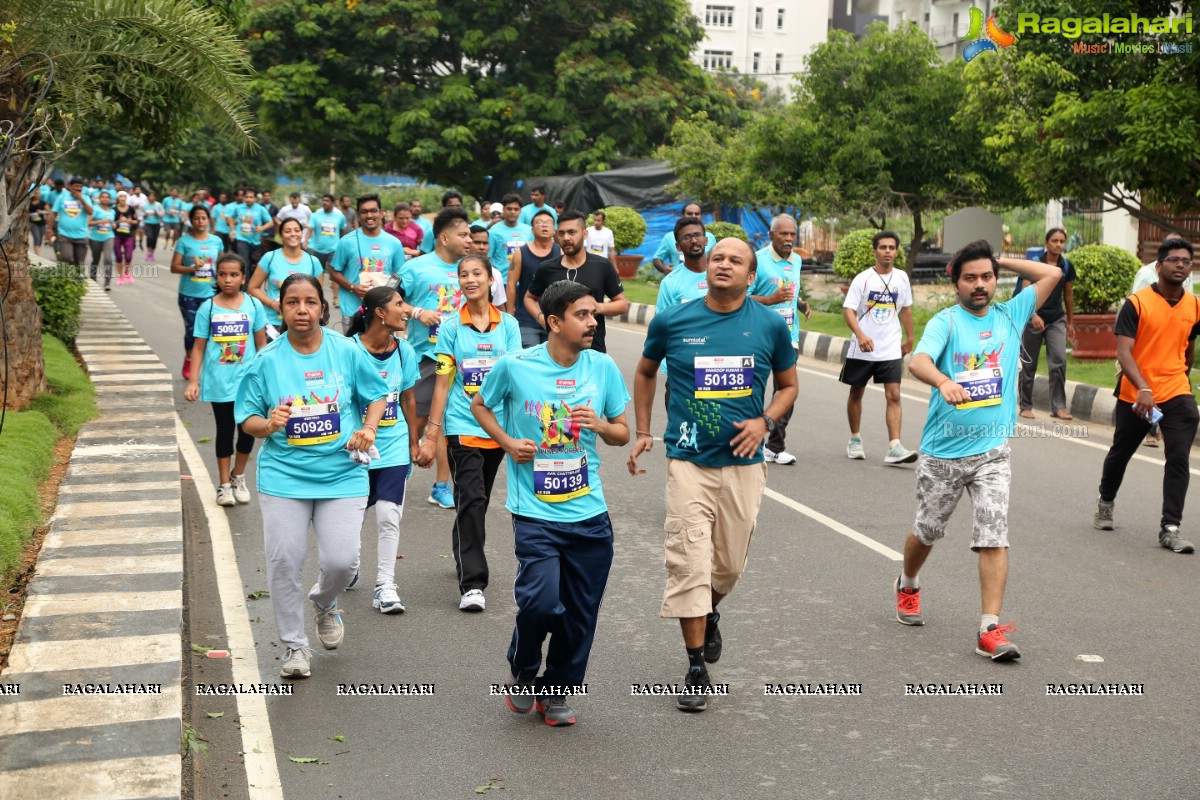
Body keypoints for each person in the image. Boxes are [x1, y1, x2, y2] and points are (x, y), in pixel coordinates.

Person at [628, 237, 798, 712]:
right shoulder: (673, 320)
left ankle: (711, 611)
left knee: (728, 568)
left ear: (751, 276)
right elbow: (645, 372)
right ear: (708, 268)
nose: (724, 264)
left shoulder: (768, 325)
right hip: (688, 460)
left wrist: (765, 422)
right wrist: (645, 430)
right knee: (689, 562)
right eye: (718, 258)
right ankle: (695, 666)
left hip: (744, 466)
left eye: (735, 260)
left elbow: (789, 387)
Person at [473, 280, 630, 726]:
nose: (592, 322)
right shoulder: (516, 365)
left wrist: (598, 424)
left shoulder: (602, 368)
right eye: (582, 315)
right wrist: (506, 442)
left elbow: (623, 433)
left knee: (581, 613)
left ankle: (557, 691)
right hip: (536, 513)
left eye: (594, 314)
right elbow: (481, 405)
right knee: (541, 602)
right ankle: (523, 672)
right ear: (554, 322)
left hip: (589, 515)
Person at [894, 240, 1060, 661]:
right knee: (928, 530)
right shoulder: (946, 322)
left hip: (992, 454)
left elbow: (1052, 274)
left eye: (987, 276)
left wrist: (997, 257)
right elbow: (918, 361)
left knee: (993, 534)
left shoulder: (1011, 313)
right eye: (970, 277)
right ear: (956, 282)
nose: (981, 284)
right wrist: (943, 381)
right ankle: (908, 581)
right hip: (943, 454)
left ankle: (989, 628)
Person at [235, 273, 390, 679]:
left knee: (342, 561)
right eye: (291, 302)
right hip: (285, 476)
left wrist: (369, 429)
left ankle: (324, 601)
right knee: (284, 561)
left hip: (342, 472)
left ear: (323, 307)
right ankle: (294, 647)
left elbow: (376, 395)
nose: (301, 310)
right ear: (280, 308)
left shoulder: (346, 351)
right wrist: (268, 425)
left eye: (310, 302)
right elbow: (247, 419)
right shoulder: (266, 361)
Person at [418, 254, 521, 611]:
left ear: (491, 279)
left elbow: (518, 379)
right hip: (462, 426)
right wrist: (432, 432)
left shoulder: (508, 325)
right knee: (473, 500)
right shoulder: (450, 328)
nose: (470, 279)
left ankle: (462, 543)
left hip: (498, 429)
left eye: (477, 273)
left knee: (474, 500)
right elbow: (443, 383)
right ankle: (473, 584)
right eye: (464, 274)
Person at [1095, 238, 1200, 554]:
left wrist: (1182, 377)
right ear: (1159, 266)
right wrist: (1143, 389)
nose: (1180, 265)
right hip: (1137, 396)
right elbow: (1124, 353)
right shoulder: (1137, 303)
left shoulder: (1195, 305)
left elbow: (1189, 345)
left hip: (1174, 392)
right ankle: (1106, 500)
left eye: (1186, 260)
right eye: (1174, 260)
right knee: (1121, 451)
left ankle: (1170, 527)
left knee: (1179, 454)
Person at [344, 286, 422, 613]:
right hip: (354, 449)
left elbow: (408, 399)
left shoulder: (405, 351)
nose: (406, 310)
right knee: (350, 519)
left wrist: (415, 442)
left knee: (389, 516)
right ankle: (348, 565)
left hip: (392, 446)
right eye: (399, 305)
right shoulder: (347, 350)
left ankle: (384, 584)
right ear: (380, 312)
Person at [400, 207, 473, 509]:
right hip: (425, 357)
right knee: (415, 419)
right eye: (463, 234)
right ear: (444, 237)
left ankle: (442, 484)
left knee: (443, 421)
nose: (470, 239)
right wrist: (417, 312)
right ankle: (400, 463)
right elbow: (383, 298)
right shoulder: (416, 268)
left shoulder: (468, 270)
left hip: (461, 358)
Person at [184, 253, 267, 506]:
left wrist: (265, 380)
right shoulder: (207, 308)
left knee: (247, 432)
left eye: (234, 275)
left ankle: (238, 476)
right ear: (216, 277)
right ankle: (223, 485)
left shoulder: (253, 305)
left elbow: (262, 346)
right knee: (224, 431)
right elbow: (198, 347)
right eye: (222, 274)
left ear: (243, 278)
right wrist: (193, 381)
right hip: (219, 382)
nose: (228, 279)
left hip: (248, 383)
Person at [841, 230, 918, 465]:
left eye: (892, 248)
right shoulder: (863, 279)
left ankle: (894, 446)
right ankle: (855, 439)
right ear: (875, 251)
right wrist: (861, 335)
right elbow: (849, 311)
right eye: (883, 247)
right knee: (856, 392)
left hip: (890, 348)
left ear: (896, 252)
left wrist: (910, 338)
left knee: (894, 395)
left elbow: (905, 309)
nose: (887, 251)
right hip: (863, 348)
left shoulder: (902, 278)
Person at [750, 215, 810, 465]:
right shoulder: (757, 261)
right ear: (771, 235)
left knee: (786, 391)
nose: (788, 239)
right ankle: (752, 442)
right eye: (783, 234)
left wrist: (799, 303)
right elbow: (742, 298)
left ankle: (775, 447)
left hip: (789, 338)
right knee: (754, 392)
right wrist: (771, 300)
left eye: (792, 235)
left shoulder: (796, 260)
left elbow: (789, 289)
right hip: (759, 338)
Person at [525, 210, 628, 354]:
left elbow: (622, 304)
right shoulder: (547, 268)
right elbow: (529, 297)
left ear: (585, 234)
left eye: (572, 232)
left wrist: (596, 307)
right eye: (561, 233)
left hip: (593, 350)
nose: (566, 238)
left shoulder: (602, 265)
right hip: (556, 353)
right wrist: (541, 318)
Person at [1017, 228, 1077, 420]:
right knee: (1029, 363)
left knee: (1059, 360)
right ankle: (1025, 405)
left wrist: (1070, 322)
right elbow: (1025, 292)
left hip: (1055, 319)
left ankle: (1058, 407)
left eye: (1062, 241)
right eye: (1054, 241)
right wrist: (1032, 314)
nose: (1058, 244)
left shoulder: (1066, 266)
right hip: (1032, 317)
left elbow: (1068, 295)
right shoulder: (1034, 264)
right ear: (1046, 242)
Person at [329, 194, 406, 328]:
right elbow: (334, 271)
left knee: (383, 349)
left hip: (383, 311)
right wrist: (353, 288)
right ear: (358, 215)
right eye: (364, 212)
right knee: (352, 348)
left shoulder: (394, 243)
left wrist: (388, 292)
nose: (369, 215)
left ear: (381, 213)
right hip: (352, 311)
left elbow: (400, 275)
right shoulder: (347, 242)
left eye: (373, 211)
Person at [249, 218, 325, 341]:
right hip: (273, 323)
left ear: (301, 234)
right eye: (288, 231)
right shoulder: (270, 258)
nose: (293, 234)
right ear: (281, 235)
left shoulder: (313, 262)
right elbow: (253, 288)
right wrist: (272, 304)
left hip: (303, 323)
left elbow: (318, 297)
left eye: (296, 230)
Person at [171, 205, 221, 379]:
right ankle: (189, 359)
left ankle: (209, 366)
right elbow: (174, 267)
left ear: (208, 220)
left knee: (213, 332)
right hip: (189, 294)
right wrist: (192, 267)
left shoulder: (216, 241)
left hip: (212, 294)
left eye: (203, 218)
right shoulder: (184, 241)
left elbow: (221, 266)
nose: (200, 221)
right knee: (192, 331)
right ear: (191, 221)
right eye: (197, 218)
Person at [507, 211, 560, 348]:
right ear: (532, 229)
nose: (544, 226)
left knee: (552, 361)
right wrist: (510, 315)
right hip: (526, 320)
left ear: (554, 230)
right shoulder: (520, 253)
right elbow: (511, 284)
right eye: (539, 222)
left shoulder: (561, 253)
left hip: (555, 320)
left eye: (548, 222)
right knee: (531, 361)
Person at [652, 203, 715, 275]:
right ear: (682, 216)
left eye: (697, 214)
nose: (693, 216)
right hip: (679, 279)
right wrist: (664, 268)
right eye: (689, 213)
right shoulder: (669, 237)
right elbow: (657, 258)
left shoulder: (710, 237)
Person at [487, 193, 533, 282]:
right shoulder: (493, 231)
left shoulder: (528, 231)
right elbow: (488, 257)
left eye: (516, 209)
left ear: (520, 211)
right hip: (502, 281)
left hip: (524, 281)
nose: (512, 212)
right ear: (503, 210)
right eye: (509, 209)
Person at [48, 178, 93, 267]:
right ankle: (68, 274)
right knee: (67, 258)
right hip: (64, 234)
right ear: (70, 187)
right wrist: (49, 229)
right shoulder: (62, 197)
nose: (78, 188)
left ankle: (75, 278)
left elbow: (90, 212)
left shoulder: (86, 198)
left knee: (79, 264)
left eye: (80, 186)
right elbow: (53, 214)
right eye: (76, 186)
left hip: (81, 235)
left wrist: (80, 198)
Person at [229, 190, 273, 267]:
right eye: (246, 197)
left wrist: (262, 228)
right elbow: (230, 217)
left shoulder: (260, 209)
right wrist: (232, 229)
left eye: (251, 197)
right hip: (242, 239)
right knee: (245, 263)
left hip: (255, 241)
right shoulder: (239, 208)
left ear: (255, 199)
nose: (248, 199)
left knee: (256, 265)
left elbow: (270, 222)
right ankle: (246, 278)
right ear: (244, 198)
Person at [470, 224, 508, 309]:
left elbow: (499, 306)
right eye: (477, 243)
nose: (482, 247)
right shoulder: (458, 271)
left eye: (485, 243)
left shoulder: (495, 274)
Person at [86, 191, 116, 291]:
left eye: (107, 197)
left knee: (108, 259)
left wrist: (113, 225)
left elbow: (112, 223)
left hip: (108, 236)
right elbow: (87, 222)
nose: (105, 198)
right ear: (99, 198)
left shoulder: (112, 211)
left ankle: (107, 282)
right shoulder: (94, 209)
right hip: (95, 237)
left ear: (109, 199)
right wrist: (100, 222)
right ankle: (93, 277)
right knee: (96, 259)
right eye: (103, 197)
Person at [112, 192, 139, 285]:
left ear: (127, 198)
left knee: (128, 256)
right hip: (117, 235)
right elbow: (111, 222)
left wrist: (128, 220)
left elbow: (136, 221)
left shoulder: (131, 209)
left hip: (128, 235)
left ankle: (127, 272)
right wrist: (118, 221)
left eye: (124, 196)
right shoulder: (113, 210)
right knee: (118, 256)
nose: (123, 198)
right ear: (117, 198)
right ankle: (120, 276)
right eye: (120, 196)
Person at [141, 191, 165, 261]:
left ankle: (152, 253)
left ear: (155, 197)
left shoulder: (158, 205)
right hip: (147, 223)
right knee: (149, 237)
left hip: (156, 223)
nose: (151, 198)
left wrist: (156, 212)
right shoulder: (144, 205)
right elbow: (141, 215)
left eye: (153, 196)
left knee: (154, 239)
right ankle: (148, 252)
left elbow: (162, 214)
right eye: (150, 196)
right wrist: (145, 214)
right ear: (148, 197)